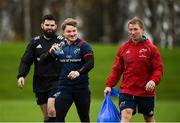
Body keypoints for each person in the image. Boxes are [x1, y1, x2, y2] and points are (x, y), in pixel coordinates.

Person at [104, 17, 163, 122]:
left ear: (142, 30)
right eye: (130, 29)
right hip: (127, 90)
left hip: (146, 92)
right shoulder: (123, 48)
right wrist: (109, 85)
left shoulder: (151, 48)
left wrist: (153, 81)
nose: (132, 32)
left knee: (149, 118)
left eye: (135, 29)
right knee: (126, 114)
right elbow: (117, 70)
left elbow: (158, 69)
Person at [40, 18, 94, 122]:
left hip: (81, 88)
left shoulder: (84, 46)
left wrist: (78, 72)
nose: (72, 33)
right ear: (63, 33)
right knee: (59, 118)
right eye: (69, 31)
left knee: (84, 118)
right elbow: (43, 62)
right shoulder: (60, 46)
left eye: (74, 31)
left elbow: (90, 63)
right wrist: (49, 53)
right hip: (64, 88)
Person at [17, 14, 65, 122]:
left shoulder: (61, 41)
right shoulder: (34, 42)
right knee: (46, 116)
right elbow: (26, 61)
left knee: (52, 109)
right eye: (47, 25)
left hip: (57, 81)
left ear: (56, 26)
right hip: (40, 83)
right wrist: (21, 75)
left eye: (52, 25)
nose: (49, 27)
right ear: (42, 25)